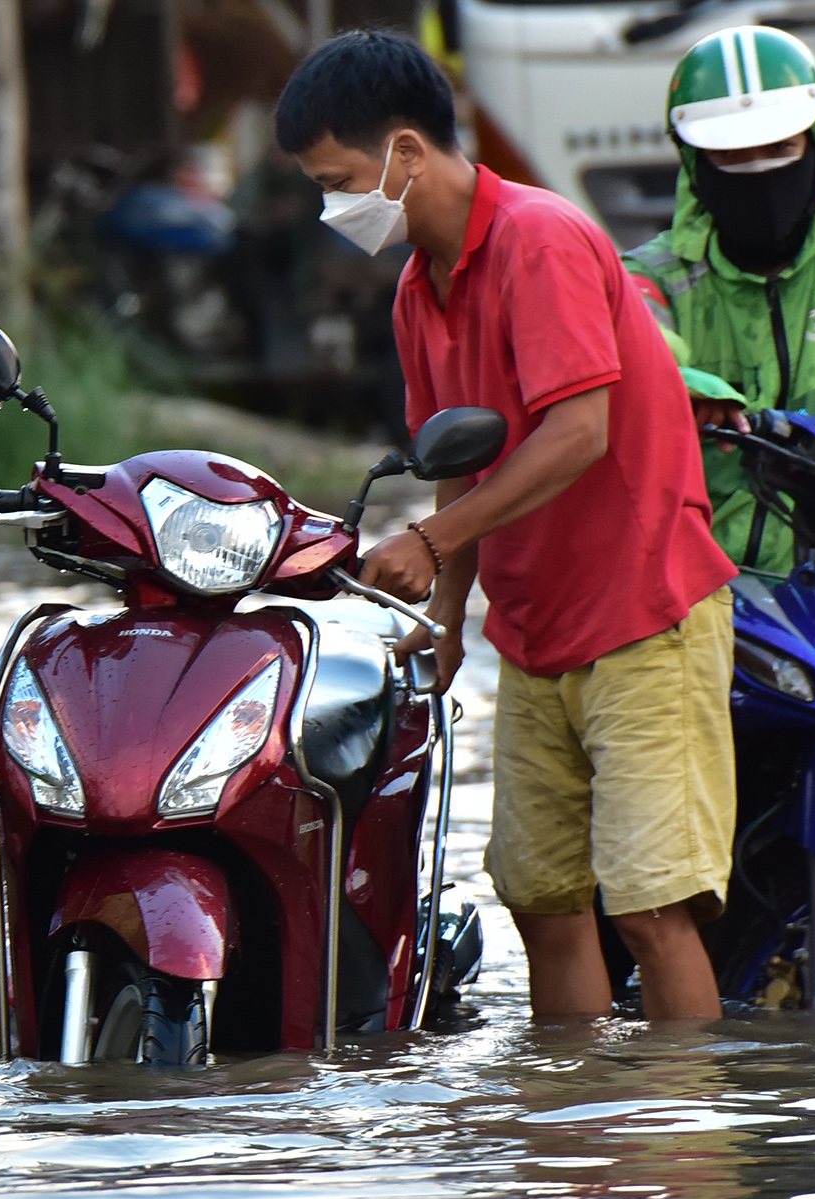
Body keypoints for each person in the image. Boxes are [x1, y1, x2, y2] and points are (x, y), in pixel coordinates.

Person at [274, 31, 737, 1021]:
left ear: (404, 152)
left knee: (652, 909)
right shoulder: (416, 292)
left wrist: (434, 546)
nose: (335, 207)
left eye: (340, 180)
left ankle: (681, 1146)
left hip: (642, 613)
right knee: (544, 904)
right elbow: (455, 465)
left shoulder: (540, 238)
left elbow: (576, 433)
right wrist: (444, 615)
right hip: (532, 633)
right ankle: (572, 1138)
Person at [624, 25, 815, 575]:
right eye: (732, 154)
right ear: (692, 162)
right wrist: (679, 385)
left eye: (781, 148)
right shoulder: (649, 276)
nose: (760, 172)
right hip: (706, 594)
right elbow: (632, 337)